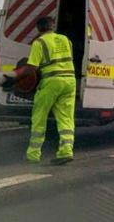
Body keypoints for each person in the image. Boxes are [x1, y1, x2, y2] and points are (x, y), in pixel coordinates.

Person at [15, 16, 76, 165]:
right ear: (52, 26)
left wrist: (17, 76)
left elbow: (32, 68)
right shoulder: (66, 40)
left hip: (51, 82)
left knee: (39, 117)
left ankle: (33, 155)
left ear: (38, 29)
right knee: (66, 118)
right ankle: (66, 151)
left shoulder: (39, 42)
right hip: (70, 81)